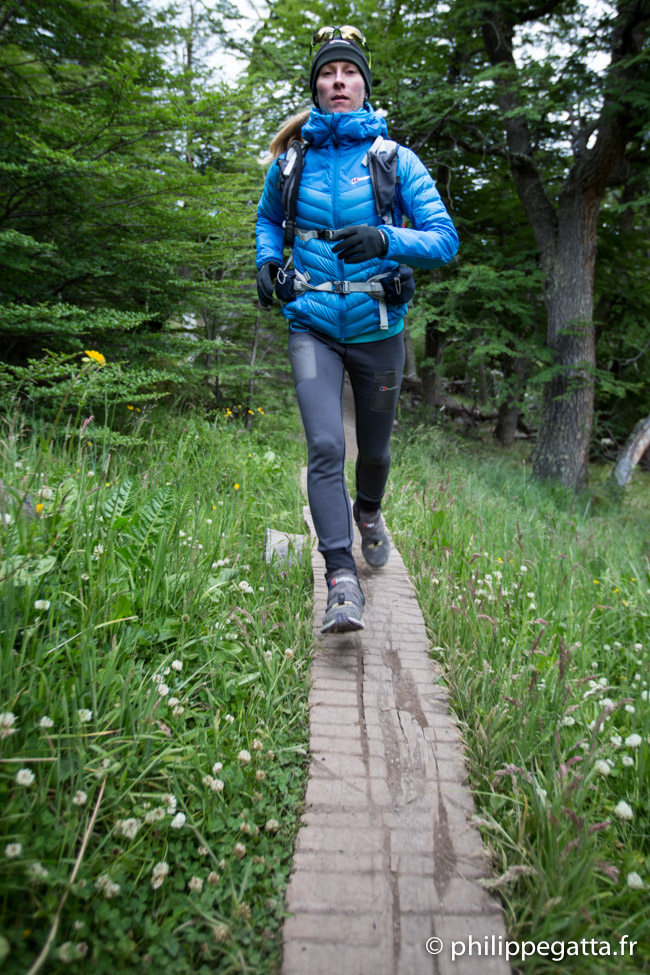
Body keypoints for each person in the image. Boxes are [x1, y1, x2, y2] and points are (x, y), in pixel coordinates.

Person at [256, 25, 458, 634]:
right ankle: (341, 580)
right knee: (325, 447)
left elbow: (444, 240)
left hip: (378, 328)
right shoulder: (291, 162)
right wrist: (266, 263)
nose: (338, 81)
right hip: (311, 327)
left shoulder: (395, 161)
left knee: (374, 451)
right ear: (315, 88)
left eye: (349, 73)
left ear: (364, 86)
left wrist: (386, 239)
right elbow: (268, 221)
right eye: (328, 73)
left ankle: (368, 511)